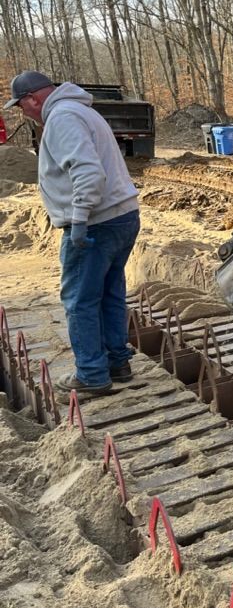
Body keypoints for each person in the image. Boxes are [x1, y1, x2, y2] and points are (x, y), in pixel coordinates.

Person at [4, 70, 141, 394]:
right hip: (121, 215)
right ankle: (116, 361)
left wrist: (78, 219)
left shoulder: (62, 118)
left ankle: (92, 374)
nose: (23, 114)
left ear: (32, 99)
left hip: (96, 223)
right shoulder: (81, 111)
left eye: (21, 107)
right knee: (108, 291)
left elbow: (88, 172)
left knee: (79, 300)